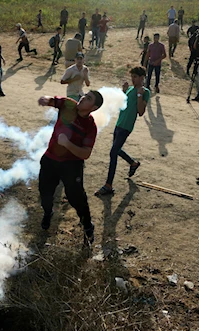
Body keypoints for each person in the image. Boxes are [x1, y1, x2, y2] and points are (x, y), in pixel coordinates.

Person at [37, 91, 104, 247]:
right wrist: (45, 99)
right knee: (45, 194)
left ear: (93, 108)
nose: (82, 98)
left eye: (88, 98)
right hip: (50, 160)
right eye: (84, 95)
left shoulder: (90, 127)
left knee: (76, 198)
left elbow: (86, 153)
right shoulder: (69, 105)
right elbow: (53, 100)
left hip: (72, 165)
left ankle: (88, 226)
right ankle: (48, 213)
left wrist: (67, 144)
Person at [95, 67, 149, 196]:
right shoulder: (130, 89)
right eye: (132, 76)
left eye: (135, 77)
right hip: (119, 124)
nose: (132, 79)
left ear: (142, 78)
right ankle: (133, 163)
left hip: (126, 127)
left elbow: (141, 112)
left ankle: (108, 185)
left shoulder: (145, 91)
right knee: (116, 150)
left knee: (113, 152)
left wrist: (140, 95)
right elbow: (122, 105)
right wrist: (124, 92)